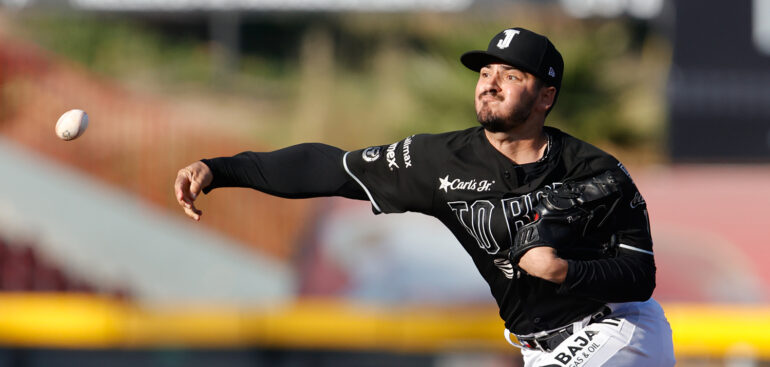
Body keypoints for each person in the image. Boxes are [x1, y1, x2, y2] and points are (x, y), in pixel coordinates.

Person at [174, 27, 675, 366]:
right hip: (535, 346)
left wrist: (564, 271)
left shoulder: (596, 170)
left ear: (546, 96)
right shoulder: (441, 160)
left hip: (617, 330)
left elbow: (640, 276)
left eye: (511, 75)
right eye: (485, 73)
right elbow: (332, 167)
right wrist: (219, 170)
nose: (490, 84)